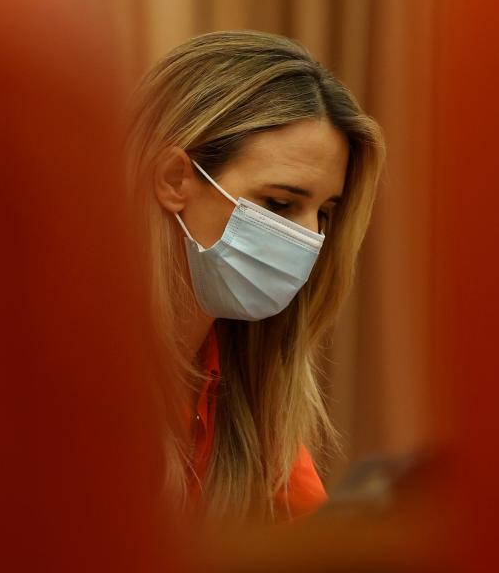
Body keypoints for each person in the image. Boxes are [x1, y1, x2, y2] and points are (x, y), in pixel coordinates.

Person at [125, 29, 384, 526]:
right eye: (279, 204)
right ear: (174, 180)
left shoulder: (248, 386)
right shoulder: (56, 377)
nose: (308, 238)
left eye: (324, 214)